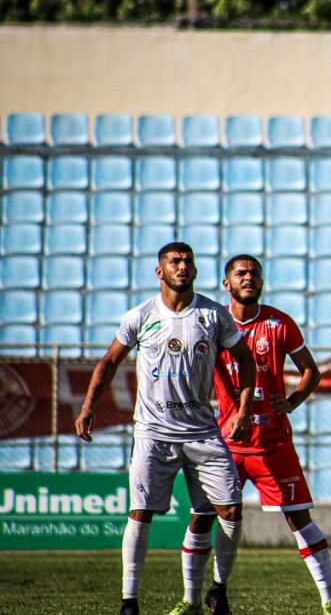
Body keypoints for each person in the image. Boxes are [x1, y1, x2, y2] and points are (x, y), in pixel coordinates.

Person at [74, 242, 256, 615]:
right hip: (153, 434)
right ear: (161, 272)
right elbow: (110, 362)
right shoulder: (140, 316)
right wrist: (89, 405)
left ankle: (218, 590)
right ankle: (130, 599)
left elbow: (245, 359)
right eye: (174, 261)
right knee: (140, 513)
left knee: (232, 511)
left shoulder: (213, 315)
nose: (182, 266)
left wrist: (243, 408)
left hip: (203, 433)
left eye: (188, 261)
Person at [185, 255, 331, 615]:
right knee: (204, 516)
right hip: (225, 445)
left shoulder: (278, 323)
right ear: (227, 284)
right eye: (240, 273)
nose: (249, 278)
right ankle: (196, 597)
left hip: (272, 442)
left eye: (254, 273)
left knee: (298, 518)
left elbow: (310, 371)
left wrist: (292, 401)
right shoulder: (213, 324)